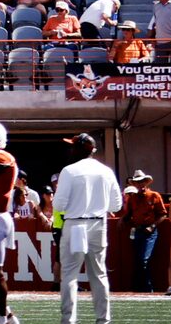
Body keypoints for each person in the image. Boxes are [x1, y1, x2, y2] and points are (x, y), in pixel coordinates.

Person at [52, 132, 119, 324]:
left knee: (69, 275)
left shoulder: (69, 171)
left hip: (75, 224)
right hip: (98, 222)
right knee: (98, 274)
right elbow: (116, 205)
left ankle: (68, 319)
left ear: (77, 149)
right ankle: (103, 319)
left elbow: (59, 205)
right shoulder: (106, 171)